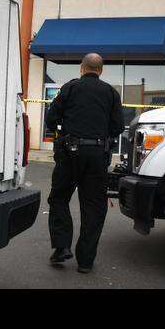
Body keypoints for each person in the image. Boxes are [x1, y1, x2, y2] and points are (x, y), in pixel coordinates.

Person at [44, 53, 125, 273]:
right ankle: (86, 261)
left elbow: (51, 118)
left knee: (59, 198)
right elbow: (118, 126)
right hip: (97, 155)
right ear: (100, 70)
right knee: (93, 207)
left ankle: (61, 248)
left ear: (82, 68)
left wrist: (64, 127)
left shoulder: (70, 88)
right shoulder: (110, 93)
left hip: (70, 153)